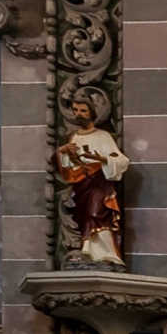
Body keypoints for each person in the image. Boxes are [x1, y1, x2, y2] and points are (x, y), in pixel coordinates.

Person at [55, 98, 129, 266]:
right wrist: (63, 151)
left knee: (97, 214)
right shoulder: (72, 137)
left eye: (83, 110)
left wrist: (100, 158)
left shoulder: (103, 136)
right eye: (75, 110)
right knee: (85, 216)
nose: (78, 114)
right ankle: (88, 250)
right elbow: (64, 166)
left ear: (92, 113)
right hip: (81, 184)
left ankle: (107, 254)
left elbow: (122, 161)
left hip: (99, 183)